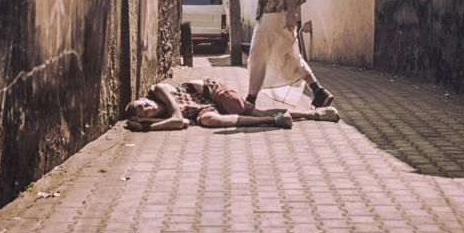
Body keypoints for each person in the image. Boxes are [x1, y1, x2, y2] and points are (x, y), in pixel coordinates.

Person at [125, 78, 339, 131]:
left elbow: (177, 119)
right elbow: (183, 124)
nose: (148, 108)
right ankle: (273, 121)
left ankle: (316, 115)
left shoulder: (157, 90)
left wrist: (145, 126)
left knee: (247, 109)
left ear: (145, 98)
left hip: (212, 92)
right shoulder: (162, 118)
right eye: (145, 112)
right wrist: (148, 123)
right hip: (203, 109)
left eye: (143, 105)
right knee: (209, 121)